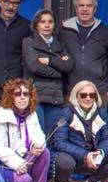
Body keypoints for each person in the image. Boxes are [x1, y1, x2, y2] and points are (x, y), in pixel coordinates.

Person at [51, 80, 108, 182]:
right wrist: (85, 155)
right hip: (74, 157)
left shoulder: (101, 112)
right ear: (76, 96)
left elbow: (107, 137)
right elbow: (59, 142)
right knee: (64, 161)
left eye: (92, 95)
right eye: (83, 95)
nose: (88, 98)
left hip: (94, 157)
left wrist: (100, 153)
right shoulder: (66, 112)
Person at [0, 78, 51, 182]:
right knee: (23, 181)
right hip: (5, 163)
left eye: (26, 94)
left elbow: (39, 134)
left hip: (25, 158)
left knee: (44, 152)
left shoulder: (32, 114)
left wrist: (36, 145)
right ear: (11, 97)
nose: (22, 97)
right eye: (18, 94)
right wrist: (17, 164)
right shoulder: (1, 115)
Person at [58, 0, 108, 114]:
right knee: (72, 130)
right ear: (76, 8)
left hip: (98, 91)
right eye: (81, 5)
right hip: (70, 90)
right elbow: (58, 56)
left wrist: (105, 84)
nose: (85, 9)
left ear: (95, 9)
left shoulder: (105, 31)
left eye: (89, 5)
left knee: (98, 129)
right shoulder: (64, 30)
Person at [22, 8, 74, 136]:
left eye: (50, 22)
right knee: (37, 135)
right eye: (42, 22)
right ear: (36, 25)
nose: (46, 25)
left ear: (54, 24)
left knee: (52, 135)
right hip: (36, 96)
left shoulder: (60, 44)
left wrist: (49, 60)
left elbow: (68, 66)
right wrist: (59, 71)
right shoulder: (29, 42)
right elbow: (34, 67)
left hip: (55, 97)